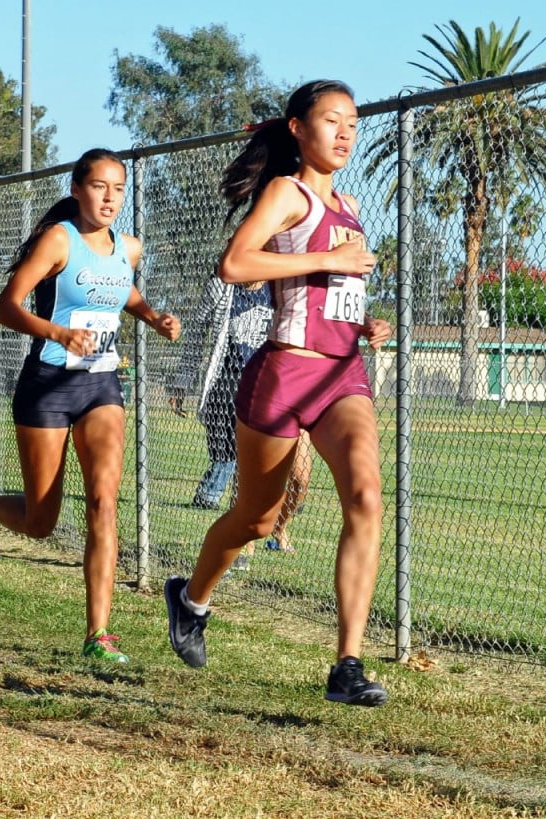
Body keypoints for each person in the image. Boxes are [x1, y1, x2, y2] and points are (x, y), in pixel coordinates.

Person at [164, 80, 393, 706]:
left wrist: (364, 323)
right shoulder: (285, 194)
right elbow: (235, 265)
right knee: (257, 518)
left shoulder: (348, 205)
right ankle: (190, 601)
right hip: (283, 372)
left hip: (342, 372)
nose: (346, 132)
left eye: (353, 122)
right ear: (297, 128)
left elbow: (334, 288)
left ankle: (347, 665)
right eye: (331, 120)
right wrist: (332, 265)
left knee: (366, 497)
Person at [0, 148, 181, 664]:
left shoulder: (130, 247)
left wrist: (154, 318)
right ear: (77, 189)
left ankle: (98, 634)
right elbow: (4, 306)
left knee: (104, 500)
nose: (110, 198)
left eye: (118, 189)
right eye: (99, 186)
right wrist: (57, 330)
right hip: (47, 385)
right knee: (41, 521)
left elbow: (123, 292)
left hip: (101, 385)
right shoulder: (60, 240)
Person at [166, 273, 311, 563]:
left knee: (300, 477)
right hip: (239, 386)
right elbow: (197, 330)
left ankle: (279, 529)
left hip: (285, 385)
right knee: (245, 469)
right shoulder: (223, 285)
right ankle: (245, 545)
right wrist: (183, 379)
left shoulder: (282, 283)